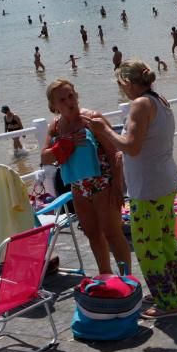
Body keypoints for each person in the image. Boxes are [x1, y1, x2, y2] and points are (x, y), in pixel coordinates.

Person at [84, 62, 177, 319]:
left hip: (149, 187)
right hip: (164, 181)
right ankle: (169, 292)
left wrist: (103, 129)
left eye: (121, 85)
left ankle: (167, 303)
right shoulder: (159, 100)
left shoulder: (140, 104)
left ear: (127, 82)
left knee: (148, 248)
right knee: (165, 243)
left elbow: (132, 146)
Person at [41, 79, 131, 277]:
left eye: (70, 96)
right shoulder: (56, 127)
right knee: (92, 234)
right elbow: (45, 157)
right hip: (78, 186)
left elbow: (114, 153)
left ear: (77, 95)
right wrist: (66, 142)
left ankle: (127, 278)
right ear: (53, 105)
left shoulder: (91, 119)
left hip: (103, 182)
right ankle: (106, 276)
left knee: (113, 233)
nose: (68, 102)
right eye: (62, 99)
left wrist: (118, 187)